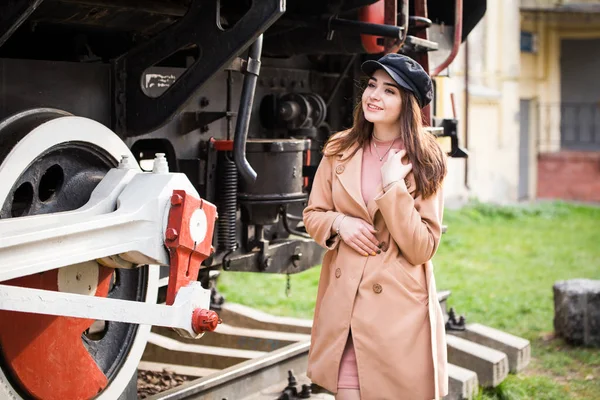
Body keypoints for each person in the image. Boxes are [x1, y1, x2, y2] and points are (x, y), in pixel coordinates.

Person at [302, 53, 449, 400]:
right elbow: (313, 213)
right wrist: (340, 223)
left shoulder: (425, 160)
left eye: (389, 91)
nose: (374, 96)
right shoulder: (340, 148)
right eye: (372, 85)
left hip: (395, 312)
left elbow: (422, 247)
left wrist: (393, 186)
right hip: (345, 305)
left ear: (408, 104)